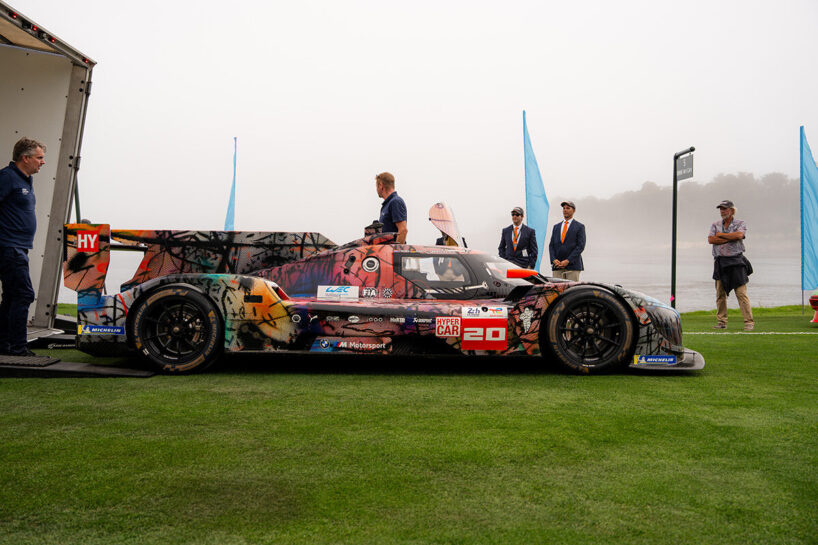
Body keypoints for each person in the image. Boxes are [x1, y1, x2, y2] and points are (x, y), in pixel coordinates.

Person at [0, 138, 46, 356]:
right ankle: (18, 347)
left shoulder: (25, 180)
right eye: (39, 157)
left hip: (19, 247)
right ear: (25, 158)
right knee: (24, 294)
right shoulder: (7, 177)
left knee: (11, 296)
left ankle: (4, 345)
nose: (43, 162)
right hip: (9, 247)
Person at [708, 200, 754, 331]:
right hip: (720, 262)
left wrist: (721, 236)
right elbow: (711, 239)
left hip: (736, 262)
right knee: (720, 294)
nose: (722, 211)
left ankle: (749, 322)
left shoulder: (740, 223)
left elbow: (739, 235)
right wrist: (730, 237)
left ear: (732, 210)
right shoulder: (715, 224)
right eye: (721, 209)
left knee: (741, 293)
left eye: (725, 209)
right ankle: (722, 322)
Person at [548, 201, 586, 281]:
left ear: (574, 210)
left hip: (572, 267)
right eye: (564, 208)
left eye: (568, 208)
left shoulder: (580, 227)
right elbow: (551, 245)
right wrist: (553, 260)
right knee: (556, 289)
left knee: (572, 289)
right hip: (557, 267)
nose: (565, 210)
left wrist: (568, 260)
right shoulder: (556, 227)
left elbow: (580, 246)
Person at [375, 172, 407, 243]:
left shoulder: (395, 202)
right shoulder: (387, 204)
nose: (376, 189)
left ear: (381, 185)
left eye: (376, 186)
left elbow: (403, 230)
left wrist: (396, 249)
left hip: (393, 249)